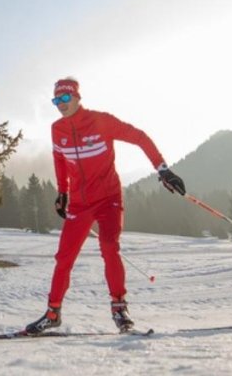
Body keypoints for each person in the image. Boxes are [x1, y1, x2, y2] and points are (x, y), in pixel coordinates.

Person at [25, 77, 186, 334]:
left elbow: (140, 137)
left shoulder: (101, 121)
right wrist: (63, 193)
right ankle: (53, 313)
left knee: (109, 246)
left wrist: (163, 170)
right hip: (79, 203)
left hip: (108, 198)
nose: (61, 104)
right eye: (57, 100)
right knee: (64, 257)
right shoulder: (57, 129)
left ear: (77, 97)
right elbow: (59, 159)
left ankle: (119, 308)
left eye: (65, 98)